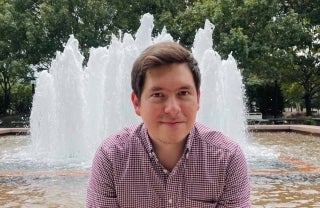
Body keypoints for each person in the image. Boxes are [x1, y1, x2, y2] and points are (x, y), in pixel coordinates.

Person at [86, 42, 251, 207]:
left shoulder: (227, 159)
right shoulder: (111, 158)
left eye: (183, 93)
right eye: (158, 95)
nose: (172, 109)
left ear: (198, 99)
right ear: (137, 103)